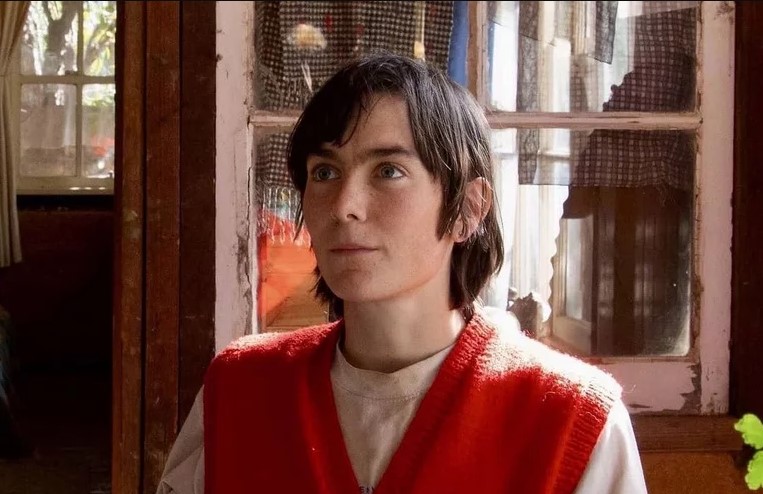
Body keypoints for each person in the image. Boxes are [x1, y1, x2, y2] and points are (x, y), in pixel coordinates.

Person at [157, 53, 648, 494]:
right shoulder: (240, 390)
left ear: (468, 210)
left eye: (388, 170)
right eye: (324, 172)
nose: (344, 206)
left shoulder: (569, 418)